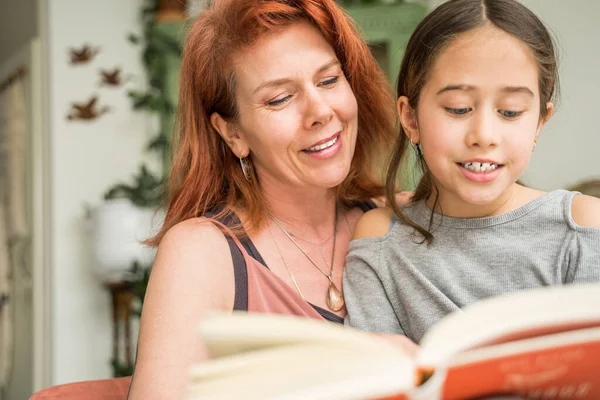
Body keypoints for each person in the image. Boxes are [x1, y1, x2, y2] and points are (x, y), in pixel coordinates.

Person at [126, 0, 402, 398]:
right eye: (279, 99)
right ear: (232, 133)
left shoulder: (397, 216)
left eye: (328, 81)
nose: (321, 111)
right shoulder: (202, 252)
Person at [344, 0, 600, 345]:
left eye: (510, 112)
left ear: (540, 121)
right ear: (410, 118)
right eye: (458, 108)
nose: (483, 135)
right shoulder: (381, 240)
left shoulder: (582, 228)